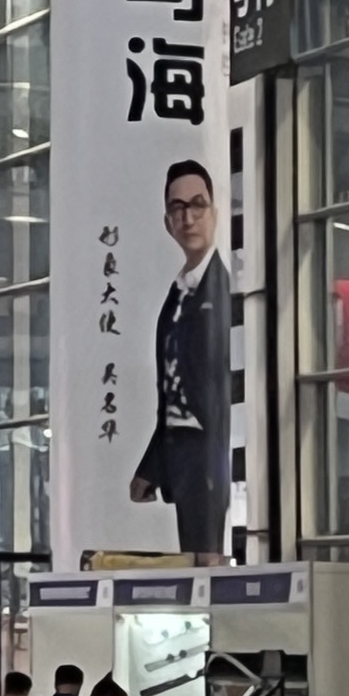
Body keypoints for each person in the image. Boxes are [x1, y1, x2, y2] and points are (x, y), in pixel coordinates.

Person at [131, 158, 235, 559]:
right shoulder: (177, 293)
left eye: (197, 205)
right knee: (193, 566)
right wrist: (151, 468)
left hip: (210, 458)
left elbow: (211, 393)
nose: (188, 218)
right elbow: (172, 397)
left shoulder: (222, 290)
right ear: (167, 222)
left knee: (207, 565)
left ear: (214, 213)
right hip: (182, 457)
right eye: (178, 208)